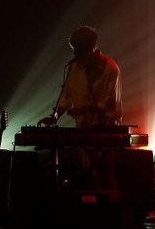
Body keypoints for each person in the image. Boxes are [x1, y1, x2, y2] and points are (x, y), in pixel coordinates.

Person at [38, 25, 123, 190]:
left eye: (78, 49)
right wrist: (55, 116)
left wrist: (84, 110)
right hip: (83, 130)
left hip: (105, 132)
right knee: (88, 176)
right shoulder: (74, 68)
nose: (75, 54)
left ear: (91, 48)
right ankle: (91, 209)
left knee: (105, 173)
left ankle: (111, 209)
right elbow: (66, 98)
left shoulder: (110, 69)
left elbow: (110, 106)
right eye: (74, 50)